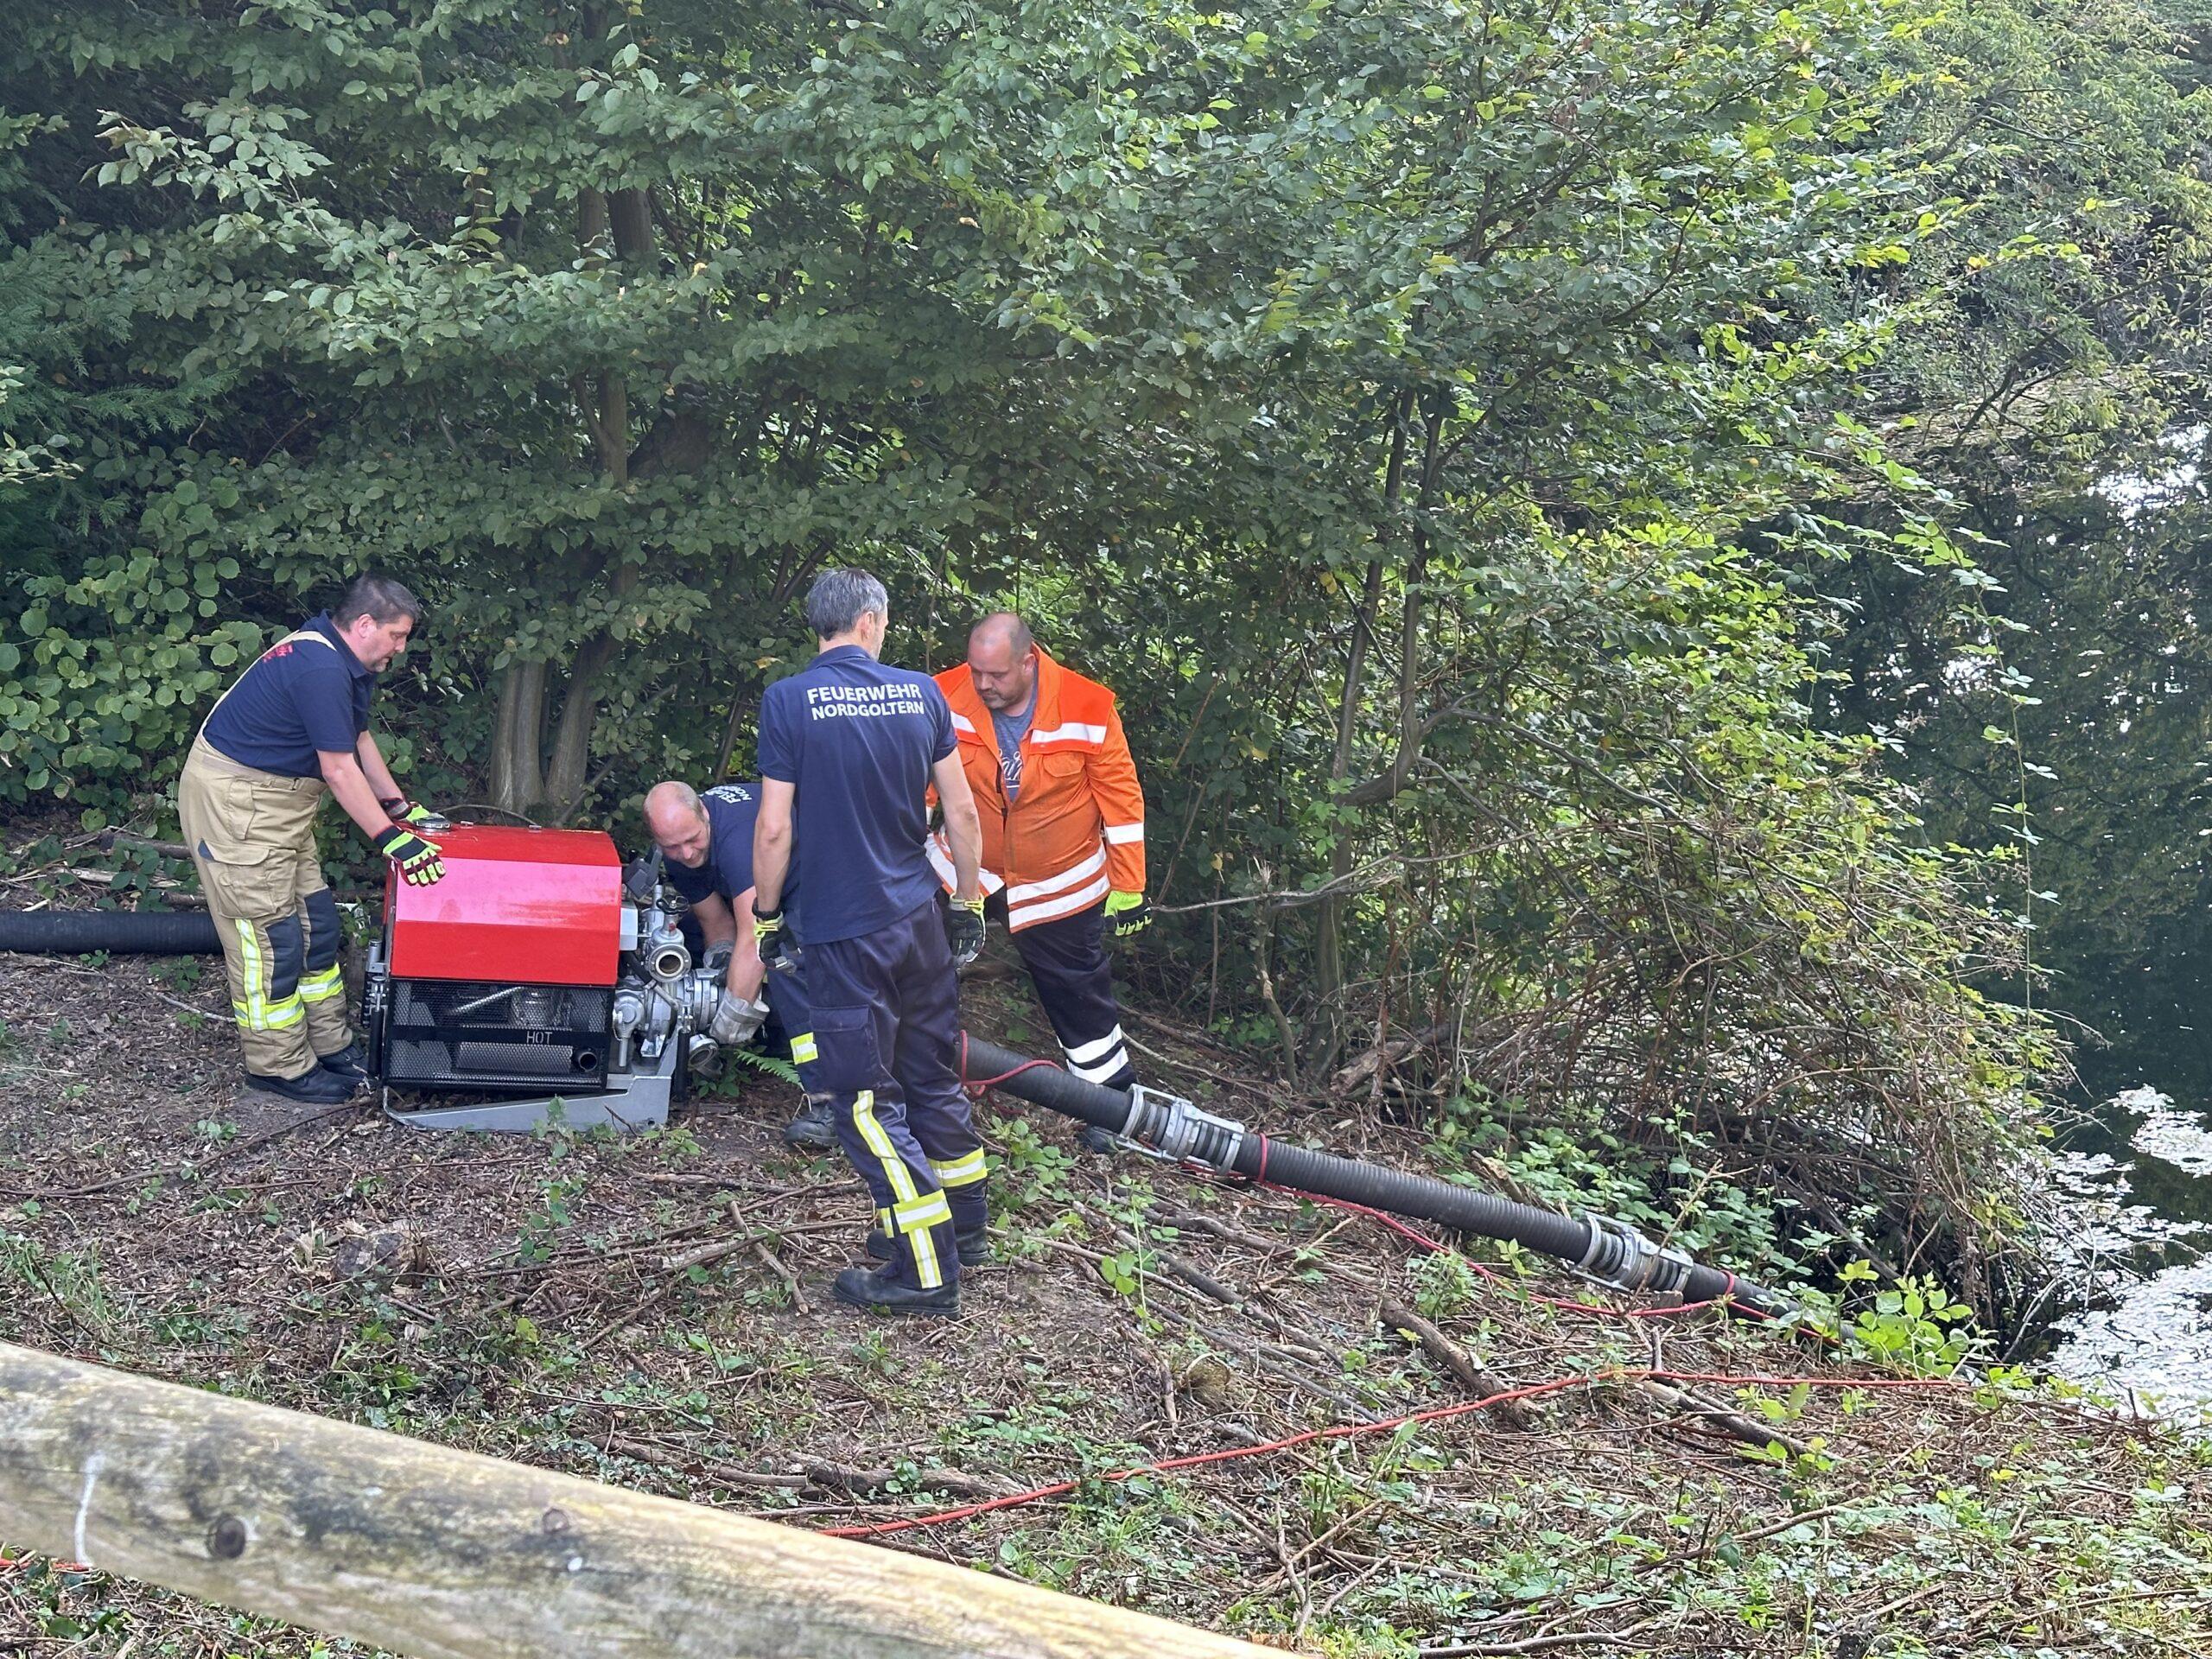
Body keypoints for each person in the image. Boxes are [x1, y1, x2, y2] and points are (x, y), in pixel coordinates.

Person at [752, 569, 988, 1317]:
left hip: (842, 931)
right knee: (932, 1081)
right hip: (918, 919)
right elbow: (961, 810)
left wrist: (763, 914)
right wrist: (970, 900)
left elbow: (773, 827)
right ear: (871, 621)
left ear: (823, 627)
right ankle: (965, 1231)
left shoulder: (790, 700)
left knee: (860, 1103)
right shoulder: (922, 692)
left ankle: (924, 1269)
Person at [177, 575, 444, 1104]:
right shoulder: (320, 666)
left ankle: (327, 1046)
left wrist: (397, 804)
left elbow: (358, 737)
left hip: (280, 806)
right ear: (364, 624)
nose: (401, 647)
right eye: (397, 635)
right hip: (240, 806)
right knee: (270, 941)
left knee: (316, 925)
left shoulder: (346, 661)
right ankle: (277, 1066)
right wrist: (392, 839)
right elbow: (340, 770)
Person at [929, 613, 1147, 1144]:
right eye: (977, 672)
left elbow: (1120, 799)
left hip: (1059, 877)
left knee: (1077, 990)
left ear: (1029, 661)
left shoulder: (1088, 705)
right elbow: (920, 784)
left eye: (997, 675)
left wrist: (1130, 884)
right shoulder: (940, 694)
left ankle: (1109, 1104)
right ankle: (917, 1082)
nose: (984, 685)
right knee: (918, 966)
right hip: (964, 868)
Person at [640, 779, 836, 1149]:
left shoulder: (738, 840)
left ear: (704, 814)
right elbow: (716, 923)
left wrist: (732, 1016)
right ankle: (776, 1036)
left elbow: (757, 934)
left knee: (786, 962)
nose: (686, 853)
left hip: (826, 878)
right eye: (672, 846)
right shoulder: (680, 852)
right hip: (772, 892)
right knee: (688, 938)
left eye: (693, 839)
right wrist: (720, 968)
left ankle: (832, 1103)